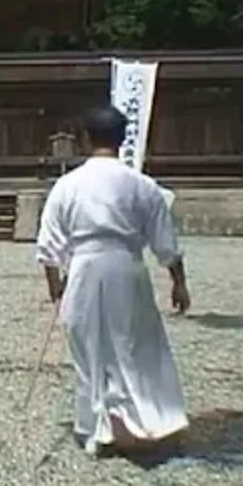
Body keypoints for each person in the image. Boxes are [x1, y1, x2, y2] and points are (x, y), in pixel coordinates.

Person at [36, 105, 190, 458]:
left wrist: (55, 287)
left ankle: (97, 426)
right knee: (133, 344)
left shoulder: (67, 185)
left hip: (85, 268)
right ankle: (141, 420)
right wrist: (178, 282)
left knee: (89, 346)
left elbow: (49, 244)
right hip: (127, 268)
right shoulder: (143, 186)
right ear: (123, 140)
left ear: (86, 139)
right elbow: (165, 241)